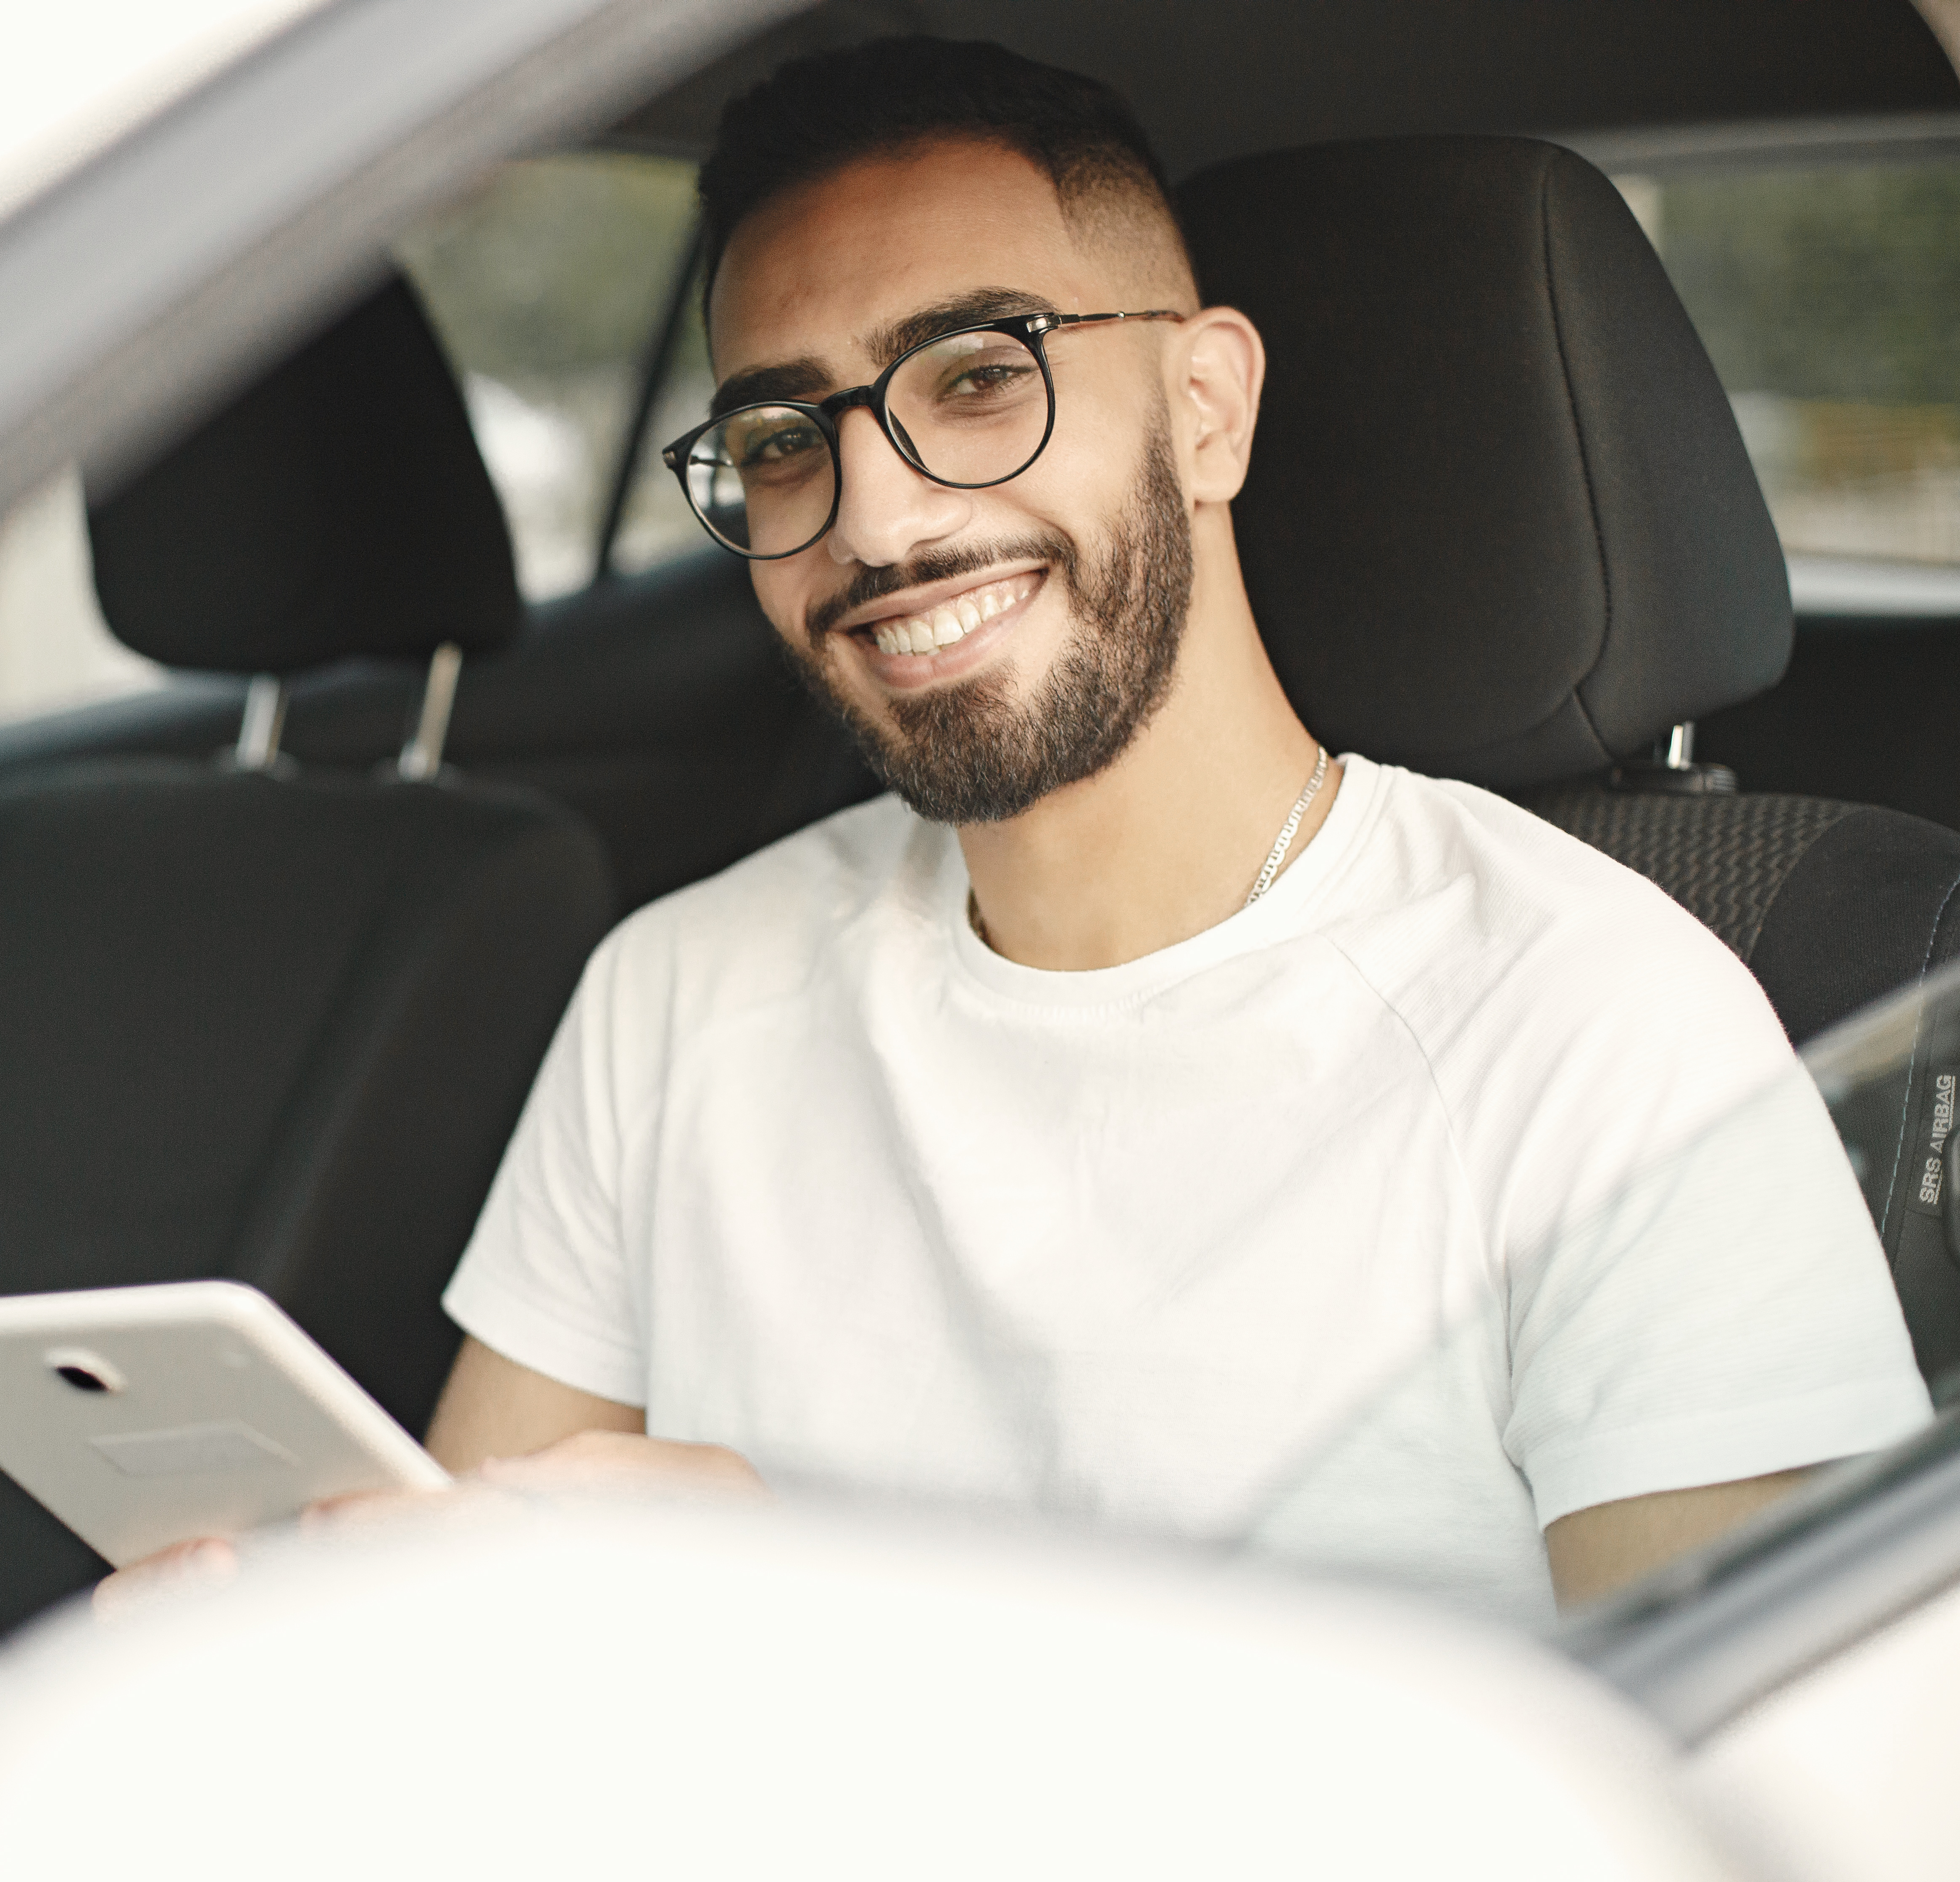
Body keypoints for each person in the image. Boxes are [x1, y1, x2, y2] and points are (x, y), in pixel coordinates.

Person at [110, 37, 1931, 1622]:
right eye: (783, 439)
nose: (878, 524)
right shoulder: (676, 991)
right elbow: (465, 1645)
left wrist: (827, 1629)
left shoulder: (1604, 1042)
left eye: (979, 375)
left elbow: (1738, 1810)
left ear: (1206, 408)